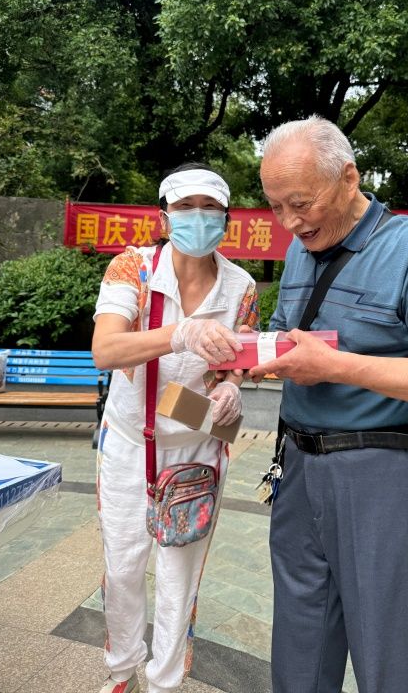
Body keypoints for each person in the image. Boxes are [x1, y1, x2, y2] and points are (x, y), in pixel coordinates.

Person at [247, 116, 408, 693]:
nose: (289, 222)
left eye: (300, 204)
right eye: (275, 207)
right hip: (299, 468)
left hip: (385, 472)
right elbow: (287, 336)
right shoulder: (301, 250)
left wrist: (337, 366)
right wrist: (241, 352)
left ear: (348, 178)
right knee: (299, 643)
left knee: (388, 650)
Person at [92, 164, 258, 693]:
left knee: (179, 575)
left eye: (210, 208)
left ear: (226, 220)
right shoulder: (134, 269)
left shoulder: (241, 286)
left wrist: (232, 385)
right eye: (186, 207)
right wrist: (180, 334)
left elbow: (238, 359)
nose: (198, 217)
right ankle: (122, 670)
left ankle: (164, 682)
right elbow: (106, 349)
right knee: (123, 568)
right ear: (164, 217)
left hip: (198, 447)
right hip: (129, 443)